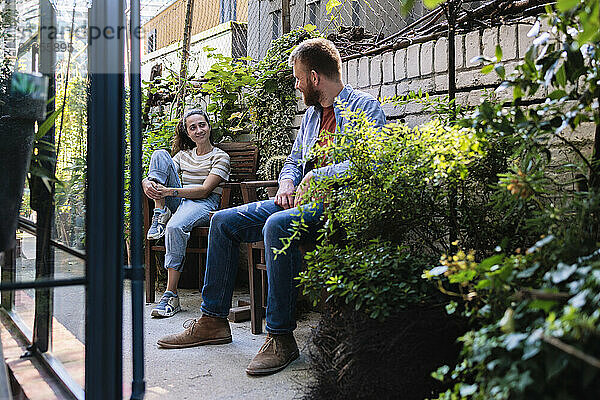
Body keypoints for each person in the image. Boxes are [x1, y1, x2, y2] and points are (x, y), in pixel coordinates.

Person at [157, 38, 386, 375]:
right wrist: (288, 182)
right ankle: (213, 321)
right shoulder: (310, 116)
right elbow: (294, 161)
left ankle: (280, 337)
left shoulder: (364, 108)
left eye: (297, 78)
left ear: (314, 78)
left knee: (277, 226)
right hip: (297, 201)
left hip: (336, 206)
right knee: (222, 221)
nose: (295, 84)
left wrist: (321, 175)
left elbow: (372, 162)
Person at [142, 109, 230, 318]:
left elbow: (204, 190)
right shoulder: (183, 156)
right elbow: (159, 177)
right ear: (187, 133)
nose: (199, 130)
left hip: (204, 203)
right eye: (193, 127)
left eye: (202, 125)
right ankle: (160, 211)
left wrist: (169, 191)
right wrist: (146, 182)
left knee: (174, 226)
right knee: (159, 155)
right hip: (181, 200)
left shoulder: (220, 156)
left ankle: (170, 294)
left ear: (209, 127)